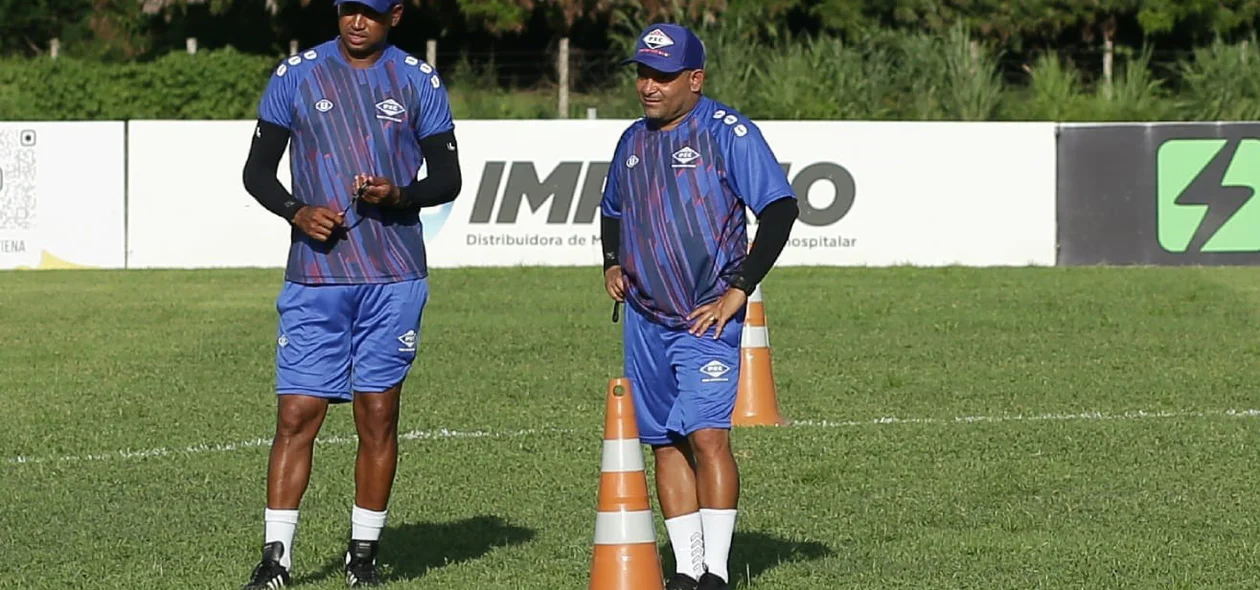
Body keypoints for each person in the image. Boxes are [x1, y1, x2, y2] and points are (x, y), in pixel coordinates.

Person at [238, 0, 462, 587]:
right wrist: (296, 211)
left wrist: (399, 195)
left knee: (378, 415)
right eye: (347, 10)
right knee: (296, 414)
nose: (356, 22)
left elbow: (448, 178)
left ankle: (362, 558)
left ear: (396, 15)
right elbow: (257, 171)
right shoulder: (297, 74)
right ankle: (274, 561)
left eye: (369, 12)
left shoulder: (417, 80)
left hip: (394, 277)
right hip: (315, 278)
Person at [599, 23, 799, 590]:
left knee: (708, 435)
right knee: (663, 439)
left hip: (705, 315)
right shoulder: (631, 141)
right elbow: (610, 209)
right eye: (642, 74)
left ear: (695, 79)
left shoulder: (726, 132)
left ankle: (717, 570)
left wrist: (738, 291)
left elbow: (780, 210)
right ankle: (686, 571)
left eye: (662, 76)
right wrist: (611, 263)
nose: (648, 86)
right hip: (644, 318)